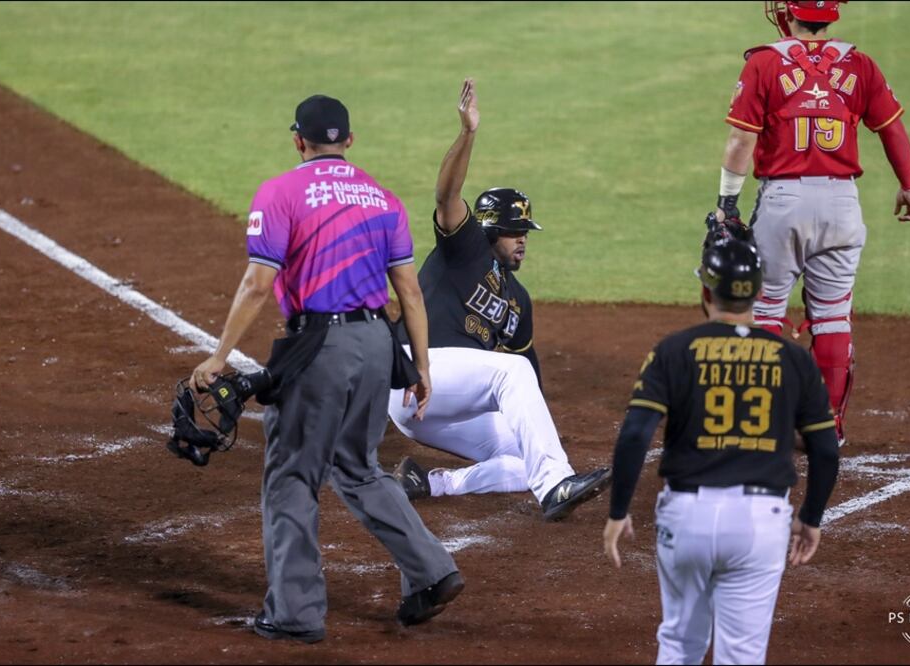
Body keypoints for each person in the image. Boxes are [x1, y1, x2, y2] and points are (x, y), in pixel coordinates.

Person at [191, 94, 462, 643]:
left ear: (298, 140)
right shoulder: (383, 199)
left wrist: (219, 357)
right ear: (349, 143)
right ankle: (432, 573)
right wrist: (421, 367)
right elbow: (408, 290)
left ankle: (295, 614)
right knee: (358, 467)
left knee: (291, 475)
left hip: (319, 347)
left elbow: (258, 283)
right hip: (376, 347)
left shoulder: (282, 191)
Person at [602, 238, 841, 665]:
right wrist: (812, 518)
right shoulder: (793, 358)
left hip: (686, 517)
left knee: (678, 645)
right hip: (759, 524)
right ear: (757, 292)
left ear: (706, 292)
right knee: (743, 657)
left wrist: (619, 511)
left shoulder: (673, 350)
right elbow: (825, 448)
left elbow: (636, 435)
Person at [387, 78, 612, 522]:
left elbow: (532, 376)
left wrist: (538, 428)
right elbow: (446, 196)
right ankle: (555, 487)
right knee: (511, 372)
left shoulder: (518, 300)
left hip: (442, 404)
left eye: (526, 232)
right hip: (411, 374)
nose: (523, 240)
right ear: (489, 230)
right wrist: (468, 133)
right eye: (515, 231)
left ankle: (428, 482)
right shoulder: (464, 250)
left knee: (525, 451)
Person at [714, 0, 910, 446]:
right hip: (842, 203)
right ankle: (825, 429)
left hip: (783, 202)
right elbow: (891, 128)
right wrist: (909, 184)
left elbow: (741, 140)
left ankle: (764, 422)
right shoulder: (859, 64)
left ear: (788, 13)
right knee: (831, 316)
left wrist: (726, 203)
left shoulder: (766, 63)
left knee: (766, 310)